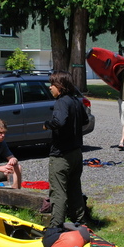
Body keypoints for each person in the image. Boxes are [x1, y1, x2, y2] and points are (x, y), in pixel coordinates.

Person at [44, 71, 89, 228]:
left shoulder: (62, 102)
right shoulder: (76, 101)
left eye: (52, 84)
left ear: (60, 86)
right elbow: (85, 119)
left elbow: (59, 121)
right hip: (76, 154)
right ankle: (81, 222)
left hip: (61, 156)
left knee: (58, 192)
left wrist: (47, 124)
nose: (50, 87)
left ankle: (56, 227)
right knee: (74, 189)